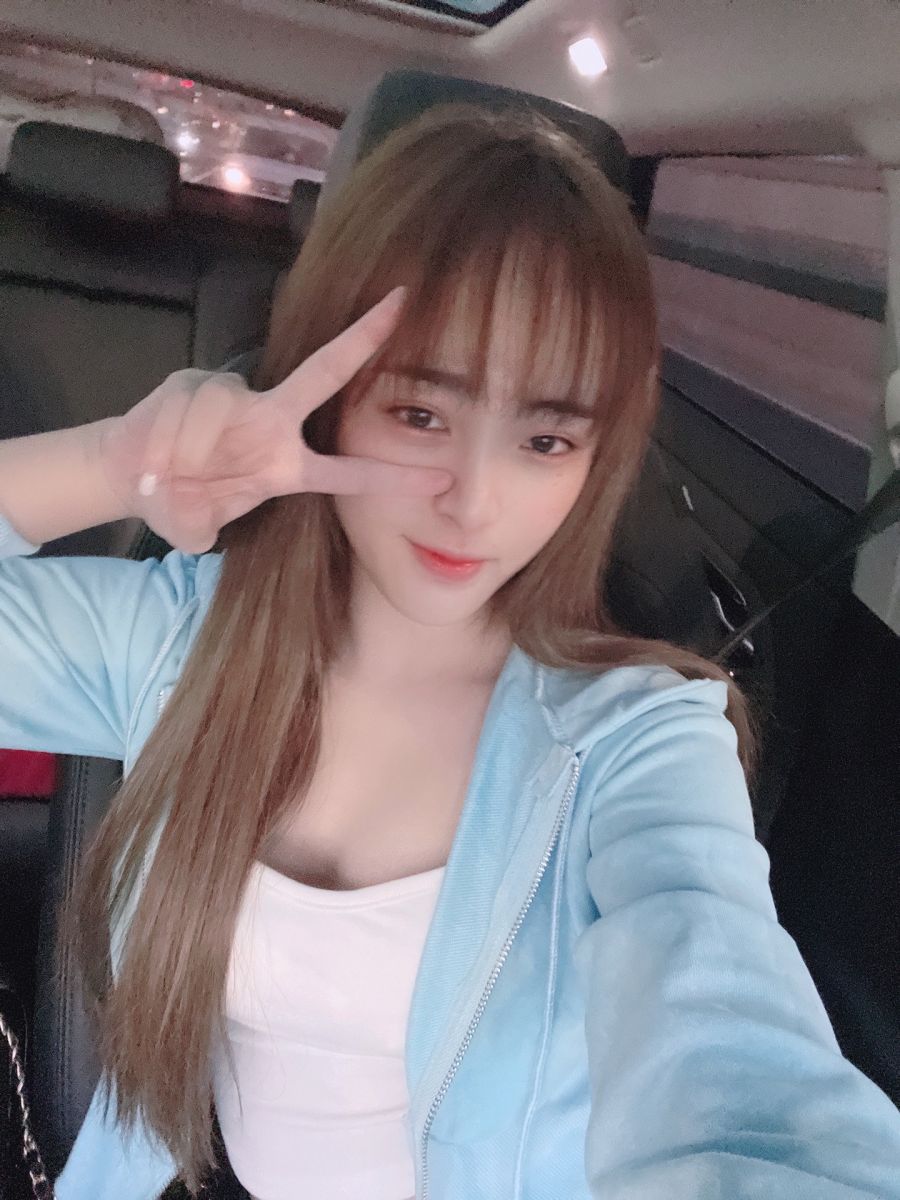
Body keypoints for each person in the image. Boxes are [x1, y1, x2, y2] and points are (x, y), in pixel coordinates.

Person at [1, 103, 899, 1200]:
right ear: (330, 404)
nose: (475, 502)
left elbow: (736, 1059)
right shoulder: (183, 642)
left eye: (545, 438)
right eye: (422, 415)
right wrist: (113, 463)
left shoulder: (636, 739)